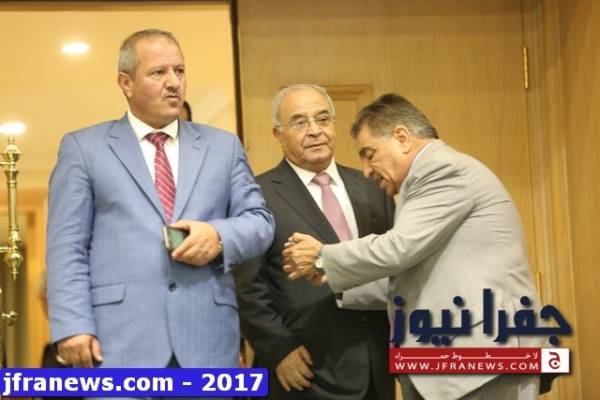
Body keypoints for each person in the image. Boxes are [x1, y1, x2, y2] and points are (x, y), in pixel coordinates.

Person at [284, 93, 543, 399]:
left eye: (369, 154)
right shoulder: (419, 183)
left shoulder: (442, 169)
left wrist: (323, 256)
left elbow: (399, 248)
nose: (366, 170)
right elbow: (411, 273)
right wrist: (334, 279)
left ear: (402, 138)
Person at [46, 29, 274, 370]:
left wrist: (218, 236)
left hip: (206, 339)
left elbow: (260, 221)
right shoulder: (83, 148)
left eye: (179, 71)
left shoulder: (223, 147)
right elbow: (67, 246)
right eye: (158, 72)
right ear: (126, 83)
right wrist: (72, 325)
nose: (174, 82)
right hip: (118, 343)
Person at [234, 84, 396, 399]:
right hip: (305, 370)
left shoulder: (372, 186)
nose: (315, 131)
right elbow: (246, 286)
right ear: (278, 134)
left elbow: (395, 265)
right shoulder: (257, 195)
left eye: (323, 119)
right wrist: (279, 349)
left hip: (377, 364)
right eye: (299, 122)